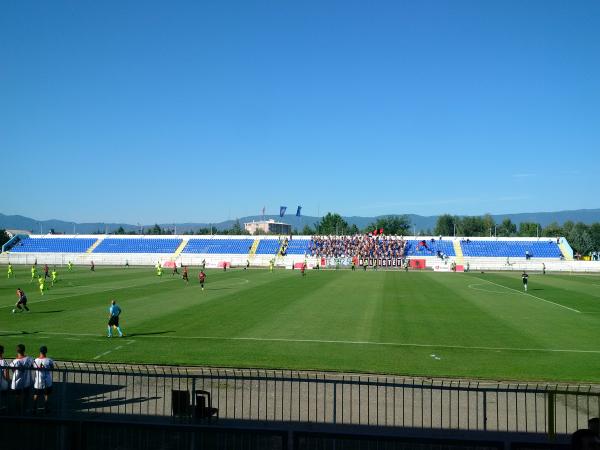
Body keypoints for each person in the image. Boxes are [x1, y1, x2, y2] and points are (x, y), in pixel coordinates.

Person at [10, 344, 34, 414]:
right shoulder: (29, 359)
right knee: (26, 396)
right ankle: (25, 410)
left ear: (17, 351)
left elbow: (13, 370)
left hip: (17, 383)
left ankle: (18, 411)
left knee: (17, 397)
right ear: (24, 350)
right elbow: (32, 365)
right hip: (27, 382)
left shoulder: (14, 361)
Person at [33, 345, 54, 414]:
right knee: (46, 395)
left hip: (38, 381)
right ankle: (46, 409)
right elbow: (52, 368)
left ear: (40, 351)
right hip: (47, 381)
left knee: (36, 394)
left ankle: (34, 409)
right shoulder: (49, 360)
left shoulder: (35, 360)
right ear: (46, 352)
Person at [0, 345, 9, 411]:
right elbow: (6, 375)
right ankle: (4, 407)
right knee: (4, 396)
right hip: (2, 383)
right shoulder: (4, 362)